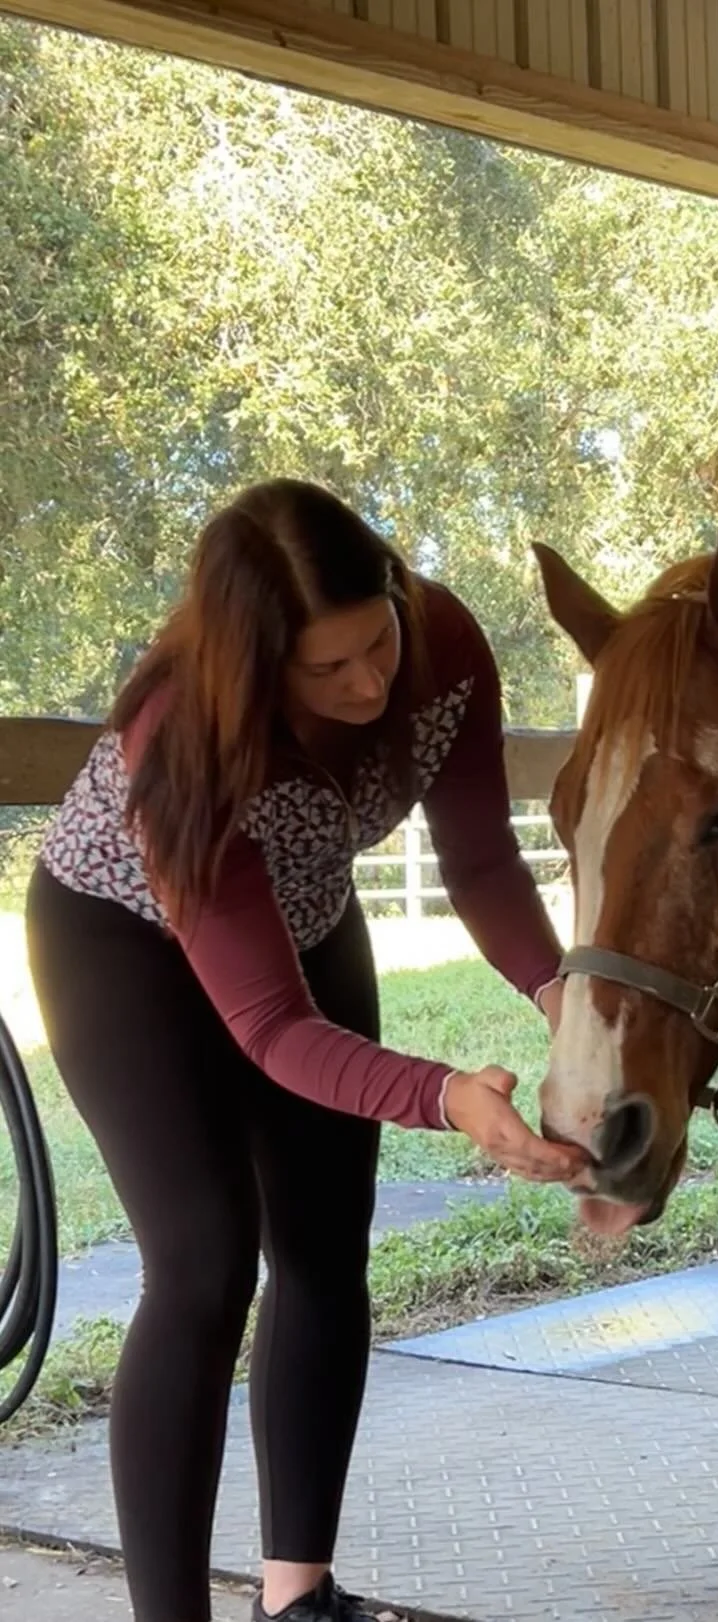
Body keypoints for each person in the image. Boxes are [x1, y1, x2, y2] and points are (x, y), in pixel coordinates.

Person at [25, 480, 589, 1622]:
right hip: (121, 941)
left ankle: (299, 1595)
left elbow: (480, 859)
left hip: (309, 908)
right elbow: (274, 1030)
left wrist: (561, 995)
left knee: (326, 1239)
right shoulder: (184, 739)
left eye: (375, 641)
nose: (368, 684)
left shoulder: (444, 643)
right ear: (254, 666)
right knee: (204, 1258)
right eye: (326, 670)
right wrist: (445, 1095)